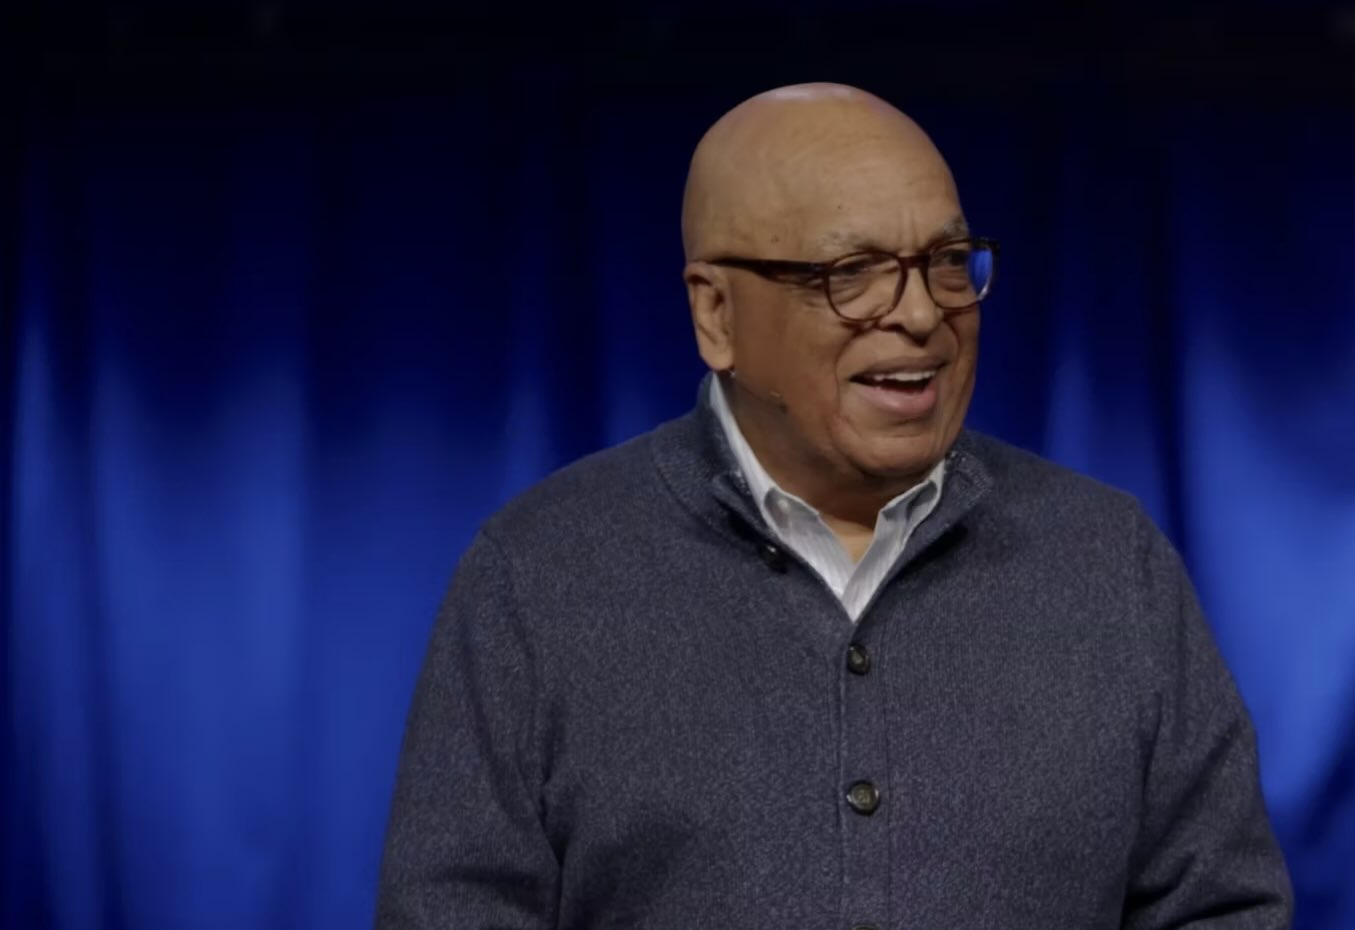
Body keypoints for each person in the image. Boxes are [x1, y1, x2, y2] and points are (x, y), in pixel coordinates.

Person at [375, 83, 1292, 930]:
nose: (924, 314)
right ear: (717, 315)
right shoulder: (539, 577)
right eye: (851, 273)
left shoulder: (1107, 562)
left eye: (945, 262)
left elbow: (1223, 908)